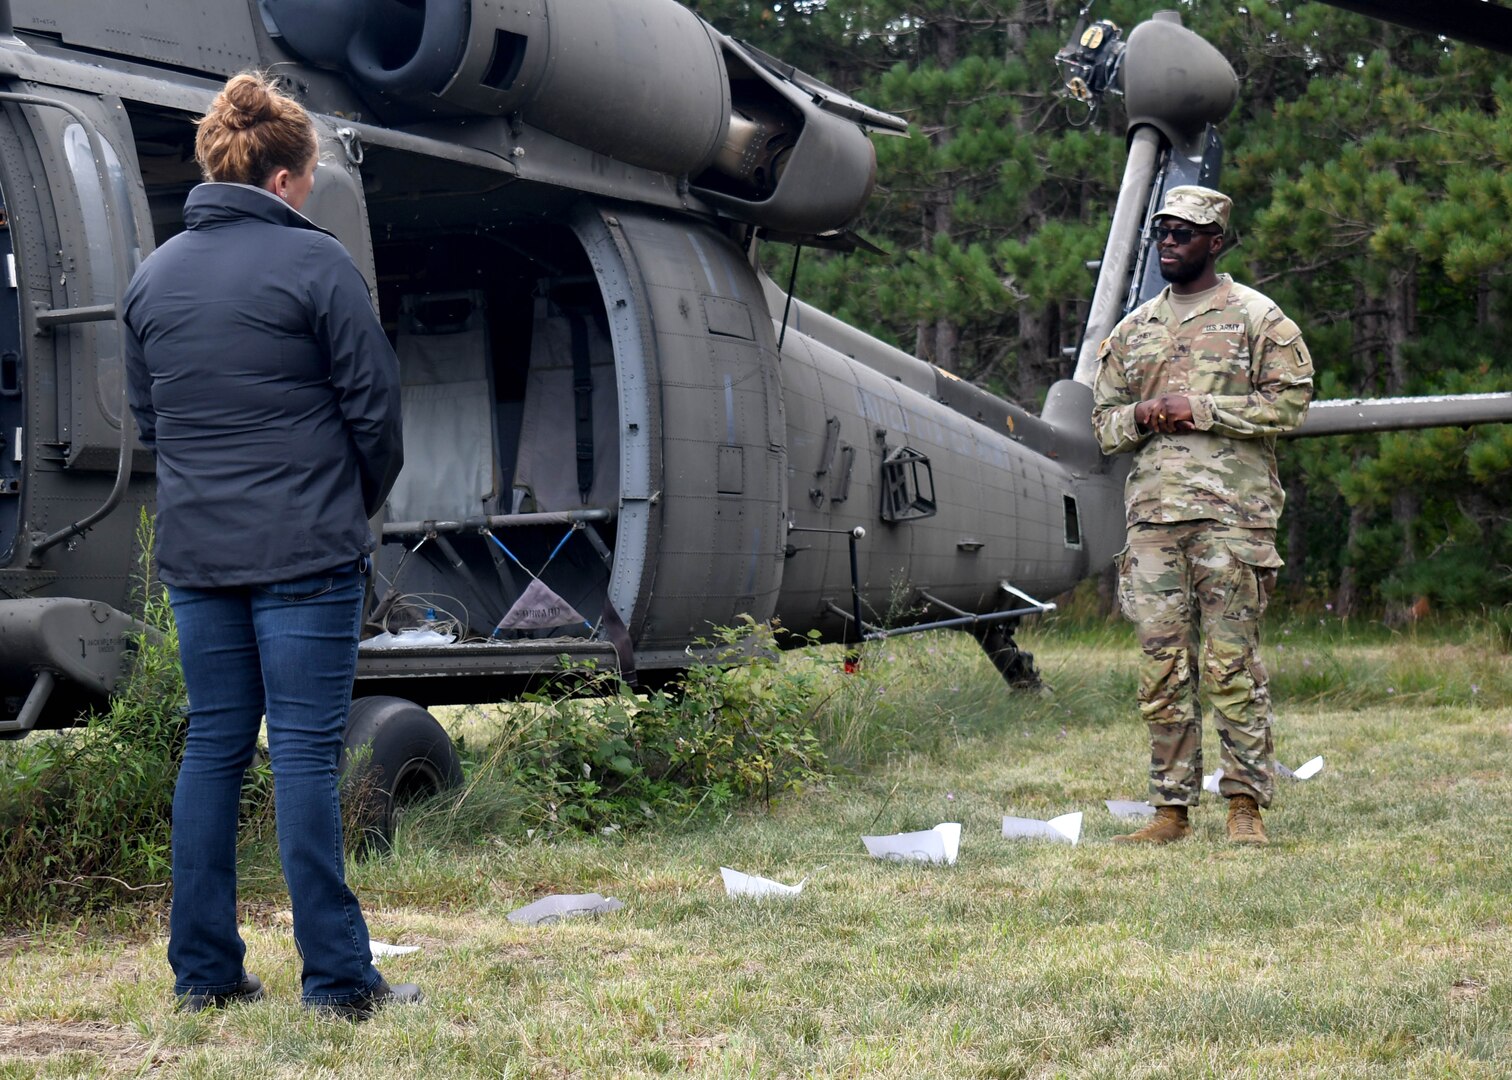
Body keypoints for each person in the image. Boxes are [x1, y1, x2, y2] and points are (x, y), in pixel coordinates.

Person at [122, 72, 416, 1016]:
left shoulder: (150, 280)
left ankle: (203, 975)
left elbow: (152, 424)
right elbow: (377, 414)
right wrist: (349, 505)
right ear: (287, 178)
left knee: (213, 748)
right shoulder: (319, 265)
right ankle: (337, 981)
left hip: (200, 557)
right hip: (305, 554)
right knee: (300, 753)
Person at [1091, 185, 1313, 846]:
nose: (1168, 242)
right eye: (1162, 231)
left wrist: (1205, 409)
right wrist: (1142, 415)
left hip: (1234, 520)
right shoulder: (1133, 330)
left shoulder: (1257, 318)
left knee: (1229, 665)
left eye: (1183, 233)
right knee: (1161, 665)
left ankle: (1245, 804)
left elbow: (1291, 406)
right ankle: (1170, 811)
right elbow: (1103, 425)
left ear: (1215, 241)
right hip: (1156, 521)